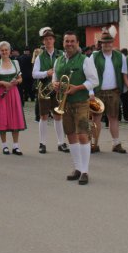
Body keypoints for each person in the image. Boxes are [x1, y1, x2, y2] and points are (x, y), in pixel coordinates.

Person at [55, 32, 99, 185]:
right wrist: (54, 84)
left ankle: (85, 171)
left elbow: (94, 81)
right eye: (67, 41)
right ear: (63, 43)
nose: (69, 44)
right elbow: (55, 78)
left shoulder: (85, 60)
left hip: (80, 101)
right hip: (65, 103)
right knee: (71, 135)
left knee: (82, 136)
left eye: (72, 41)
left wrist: (78, 88)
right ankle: (77, 168)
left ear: (77, 42)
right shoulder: (58, 61)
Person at [32, 28, 67, 154]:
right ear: (43, 41)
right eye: (46, 39)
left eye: (50, 39)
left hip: (58, 89)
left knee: (58, 115)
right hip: (44, 89)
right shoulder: (39, 57)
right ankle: (42, 143)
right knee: (43, 116)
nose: (48, 41)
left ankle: (61, 143)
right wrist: (46, 73)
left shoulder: (61, 54)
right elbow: (34, 74)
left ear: (54, 40)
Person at [90, 28, 126, 153]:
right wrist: (90, 92)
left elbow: (124, 74)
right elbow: (89, 74)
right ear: (101, 44)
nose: (107, 45)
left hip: (113, 91)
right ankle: (94, 144)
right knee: (96, 118)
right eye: (104, 43)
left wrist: (123, 89)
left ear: (113, 43)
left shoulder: (120, 56)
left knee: (114, 117)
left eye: (109, 42)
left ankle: (116, 143)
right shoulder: (94, 56)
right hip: (98, 92)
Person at [0, 41, 26, 155]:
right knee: (2, 118)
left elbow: (21, 78)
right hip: (1, 93)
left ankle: (16, 146)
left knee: (15, 117)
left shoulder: (15, 62)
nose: (4, 52)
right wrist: (3, 82)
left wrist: (17, 81)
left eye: (6, 50)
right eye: (2, 50)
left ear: (10, 51)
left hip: (13, 92)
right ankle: (4, 145)